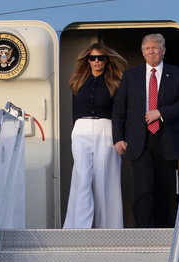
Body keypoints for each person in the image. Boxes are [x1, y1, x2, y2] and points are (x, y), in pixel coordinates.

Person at [113, 33, 179, 228]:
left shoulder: (177, 74)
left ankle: (166, 232)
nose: (151, 51)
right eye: (147, 48)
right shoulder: (131, 75)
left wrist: (161, 112)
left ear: (163, 51)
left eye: (155, 47)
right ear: (142, 52)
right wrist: (118, 138)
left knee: (166, 189)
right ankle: (143, 232)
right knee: (143, 188)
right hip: (139, 141)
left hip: (167, 140)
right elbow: (119, 109)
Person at [63, 43, 127, 229]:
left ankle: (110, 228)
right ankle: (79, 227)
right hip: (81, 128)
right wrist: (75, 131)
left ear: (107, 60)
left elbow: (119, 112)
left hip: (106, 128)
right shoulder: (78, 81)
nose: (97, 61)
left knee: (106, 178)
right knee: (82, 176)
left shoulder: (116, 81)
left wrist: (119, 137)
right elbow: (75, 112)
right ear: (87, 60)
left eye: (101, 58)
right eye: (93, 58)